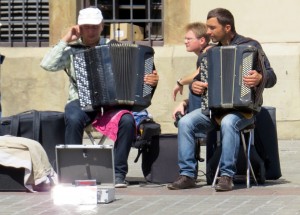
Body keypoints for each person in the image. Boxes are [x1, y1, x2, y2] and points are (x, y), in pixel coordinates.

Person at [40, 7, 159, 188]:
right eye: (86, 27)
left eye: (94, 27)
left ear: (102, 26)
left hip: (112, 106)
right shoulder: (71, 49)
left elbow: (140, 75)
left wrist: (151, 80)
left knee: (127, 121)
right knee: (72, 117)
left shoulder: (114, 47)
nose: (90, 31)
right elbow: (47, 65)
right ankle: (73, 170)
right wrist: (66, 38)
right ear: (79, 27)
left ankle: (118, 174)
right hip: (81, 102)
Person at [167, 8, 276, 191]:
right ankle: (187, 174)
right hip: (214, 110)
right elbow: (200, 81)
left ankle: (226, 176)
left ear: (227, 27)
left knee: (228, 122)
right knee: (186, 122)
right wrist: (195, 85)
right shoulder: (209, 53)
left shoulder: (251, 46)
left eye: (212, 27)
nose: (208, 31)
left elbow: (272, 77)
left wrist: (259, 78)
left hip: (244, 111)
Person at [172, 22, 210, 113]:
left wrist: (180, 82)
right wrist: (184, 102)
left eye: (189, 39)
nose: (185, 42)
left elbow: (199, 72)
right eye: (185, 39)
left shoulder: (209, 52)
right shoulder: (202, 54)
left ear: (202, 40)